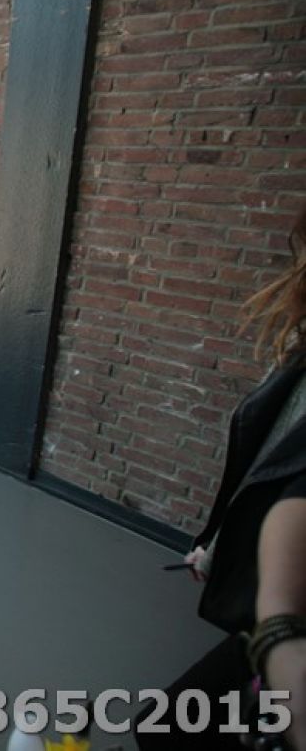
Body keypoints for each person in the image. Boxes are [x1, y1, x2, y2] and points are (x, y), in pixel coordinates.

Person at [138, 202, 306, 751]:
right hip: (266, 612)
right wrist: (219, 542)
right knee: (162, 729)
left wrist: (283, 637)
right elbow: (269, 468)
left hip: (284, 616)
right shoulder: (299, 357)